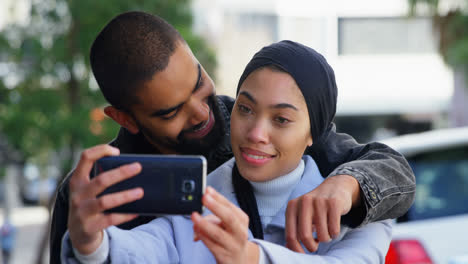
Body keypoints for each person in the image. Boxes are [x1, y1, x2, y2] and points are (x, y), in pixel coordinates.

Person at [50, 11, 415, 263]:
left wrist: (348, 186)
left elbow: (389, 169)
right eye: (170, 111)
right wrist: (88, 242)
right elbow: (133, 249)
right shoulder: (99, 190)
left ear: (312, 133)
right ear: (124, 118)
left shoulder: (348, 199)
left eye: (198, 83)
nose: (202, 112)